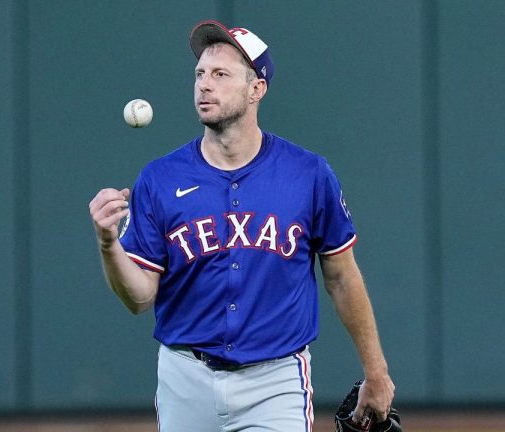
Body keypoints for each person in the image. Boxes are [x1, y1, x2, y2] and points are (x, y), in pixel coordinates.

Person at [89, 19, 394, 432]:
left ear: (257, 89)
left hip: (275, 382)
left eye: (220, 74)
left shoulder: (308, 175)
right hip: (185, 377)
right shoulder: (159, 179)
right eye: (199, 74)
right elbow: (139, 297)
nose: (204, 85)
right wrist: (109, 244)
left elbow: (341, 277)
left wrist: (375, 372)